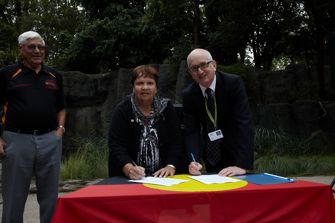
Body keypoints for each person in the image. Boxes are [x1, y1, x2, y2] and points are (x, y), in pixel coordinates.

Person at [0, 31, 66, 223]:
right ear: (21, 49)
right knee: (13, 197)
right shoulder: (7, 74)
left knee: (50, 197)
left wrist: (60, 131)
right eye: (32, 47)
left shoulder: (54, 75)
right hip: (17, 140)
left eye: (41, 47)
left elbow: (61, 107)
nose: (37, 51)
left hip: (50, 140)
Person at [182, 48, 254, 177]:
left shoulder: (233, 83)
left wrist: (242, 165)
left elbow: (244, 123)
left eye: (204, 65)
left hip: (235, 151)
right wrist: (193, 160)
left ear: (214, 65)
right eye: (194, 68)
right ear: (190, 72)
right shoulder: (188, 94)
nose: (200, 71)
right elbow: (191, 131)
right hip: (210, 153)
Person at [108, 65, 185, 180]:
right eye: (140, 83)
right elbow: (116, 145)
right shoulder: (123, 110)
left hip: (162, 177)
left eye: (150, 83)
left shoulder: (167, 108)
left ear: (156, 87)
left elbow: (177, 140)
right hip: (129, 177)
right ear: (133, 87)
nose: (145, 87)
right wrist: (129, 168)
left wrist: (170, 166)